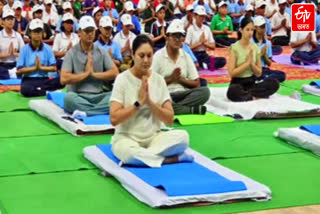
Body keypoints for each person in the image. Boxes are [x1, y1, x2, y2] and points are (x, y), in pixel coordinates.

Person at [110, 34, 192, 168]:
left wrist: (149, 102)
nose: (146, 60)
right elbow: (114, 119)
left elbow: (169, 119)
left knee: (183, 137)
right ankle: (169, 160)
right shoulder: (122, 79)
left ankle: (144, 157)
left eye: (149, 55)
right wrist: (139, 103)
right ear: (132, 54)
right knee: (129, 153)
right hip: (126, 138)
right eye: (141, 56)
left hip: (154, 139)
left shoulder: (159, 80)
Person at [60, 16, 119, 116]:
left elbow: (115, 72)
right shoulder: (71, 53)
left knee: (117, 97)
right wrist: (86, 74)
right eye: (87, 31)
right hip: (78, 95)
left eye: (92, 30)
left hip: (99, 96)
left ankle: (86, 112)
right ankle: (98, 111)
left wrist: (94, 74)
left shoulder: (101, 52)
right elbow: (64, 78)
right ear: (79, 32)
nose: (90, 34)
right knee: (68, 99)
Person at [152, 19, 210, 115]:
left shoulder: (185, 56)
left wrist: (180, 80)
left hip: (182, 94)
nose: (177, 39)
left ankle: (174, 108)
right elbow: (151, 84)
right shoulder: (158, 56)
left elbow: (197, 83)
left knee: (205, 92)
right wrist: (171, 79)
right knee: (153, 97)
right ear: (167, 38)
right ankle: (189, 110)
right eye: (174, 36)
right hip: (165, 93)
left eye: (180, 36)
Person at [227, 17, 279, 102]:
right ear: (241, 30)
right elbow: (232, 73)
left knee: (274, 83)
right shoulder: (234, 47)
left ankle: (249, 95)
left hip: (251, 82)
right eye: (247, 29)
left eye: (252, 30)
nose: (250, 32)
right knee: (233, 91)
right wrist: (246, 64)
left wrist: (251, 64)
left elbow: (259, 73)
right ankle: (254, 96)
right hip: (238, 82)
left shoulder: (255, 47)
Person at [16, 19, 63, 97]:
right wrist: (34, 68)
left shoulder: (48, 48)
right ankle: (46, 92)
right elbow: (19, 70)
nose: (37, 34)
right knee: (25, 89)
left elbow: (54, 68)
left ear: (43, 34)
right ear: (30, 33)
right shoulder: (24, 49)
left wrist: (41, 67)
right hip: (29, 79)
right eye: (35, 32)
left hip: (44, 79)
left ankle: (40, 90)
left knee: (61, 81)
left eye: (39, 32)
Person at [186, 6, 226, 71]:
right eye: (200, 16)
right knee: (193, 63)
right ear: (195, 16)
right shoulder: (191, 29)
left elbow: (213, 46)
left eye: (203, 16)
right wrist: (199, 43)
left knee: (223, 60)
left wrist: (204, 43)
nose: (202, 18)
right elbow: (187, 48)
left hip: (204, 54)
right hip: (194, 55)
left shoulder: (206, 28)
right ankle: (204, 65)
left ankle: (205, 65)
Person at [253, 16, 286, 83]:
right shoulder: (250, 42)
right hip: (253, 69)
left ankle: (264, 78)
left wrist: (264, 55)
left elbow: (269, 63)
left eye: (264, 26)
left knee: (282, 75)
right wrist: (260, 54)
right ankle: (264, 78)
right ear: (255, 27)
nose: (263, 29)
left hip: (263, 69)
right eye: (261, 27)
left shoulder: (267, 43)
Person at [0, 9, 24, 79]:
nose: (11, 21)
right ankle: (11, 74)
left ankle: (10, 74)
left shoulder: (18, 35)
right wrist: (7, 54)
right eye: (8, 19)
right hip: (2, 65)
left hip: (15, 64)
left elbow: (24, 54)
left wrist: (16, 54)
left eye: (12, 19)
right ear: (3, 21)